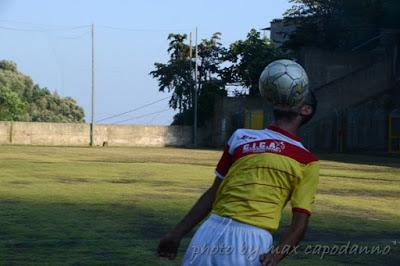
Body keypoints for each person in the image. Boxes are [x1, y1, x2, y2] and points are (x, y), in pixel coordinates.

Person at [157, 91, 319, 266]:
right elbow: (214, 192)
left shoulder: (307, 161)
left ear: (306, 110)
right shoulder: (241, 137)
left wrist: (276, 255)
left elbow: (300, 224)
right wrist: (176, 233)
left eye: (294, 94)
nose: (285, 95)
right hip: (211, 228)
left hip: (251, 239)